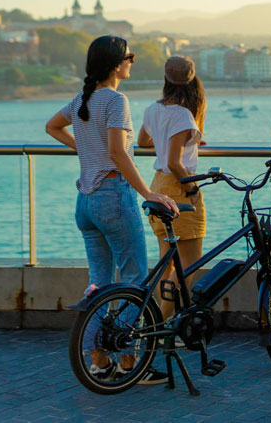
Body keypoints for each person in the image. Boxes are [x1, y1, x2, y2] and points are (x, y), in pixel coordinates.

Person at [45, 35, 178, 383]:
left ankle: (99, 360)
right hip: (113, 196)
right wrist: (148, 192)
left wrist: (84, 150)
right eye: (129, 57)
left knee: (100, 283)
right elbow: (119, 153)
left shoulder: (82, 99)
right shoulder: (116, 100)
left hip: (85, 200)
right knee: (134, 280)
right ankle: (132, 363)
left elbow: (52, 126)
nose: (132, 62)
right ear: (117, 63)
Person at [138, 56, 207, 320]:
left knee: (166, 264)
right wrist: (192, 190)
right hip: (179, 185)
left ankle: (157, 321)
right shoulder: (182, 114)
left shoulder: (154, 109)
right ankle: (164, 325)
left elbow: (145, 141)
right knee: (188, 264)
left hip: (159, 183)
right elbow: (174, 162)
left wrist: (180, 141)